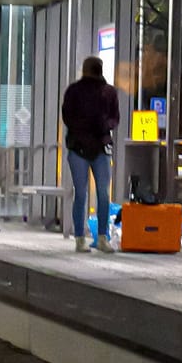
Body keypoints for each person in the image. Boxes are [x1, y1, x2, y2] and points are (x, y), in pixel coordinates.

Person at [61, 56, 119, 253]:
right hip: (101, 147)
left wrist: (81, 131)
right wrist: (102, 127)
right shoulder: (109, 92)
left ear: (84, 69)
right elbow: (114, 119)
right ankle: (102, 238)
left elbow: (67, 116)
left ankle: (79, 238)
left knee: (81, 192)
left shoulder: (73, 91)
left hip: (78, 147)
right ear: (100, 70)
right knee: (103, 193)